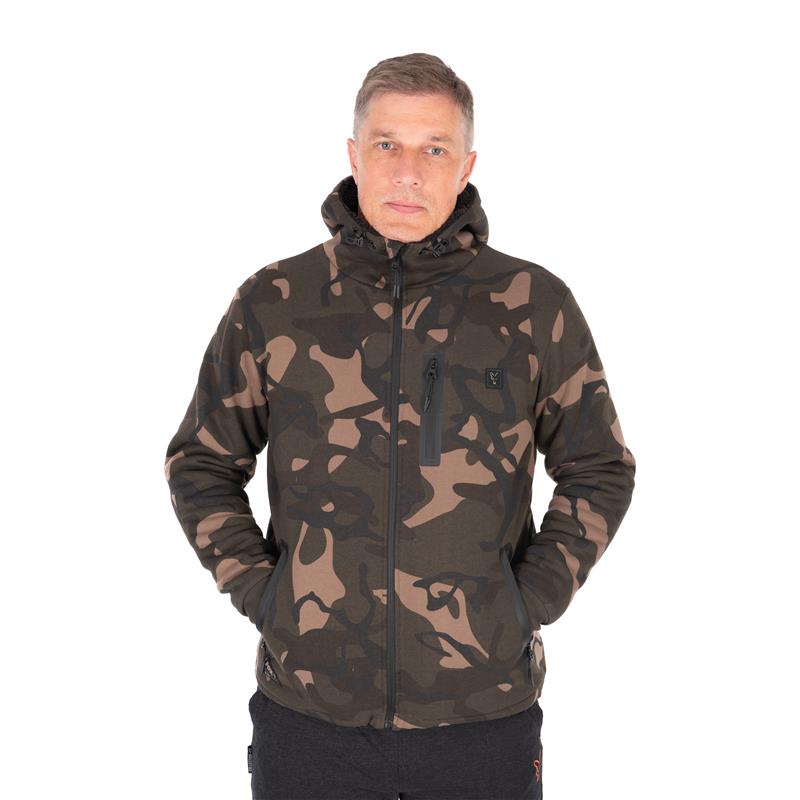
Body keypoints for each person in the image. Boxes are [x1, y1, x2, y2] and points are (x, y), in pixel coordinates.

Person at [164, 52, 636, 800]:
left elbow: (599, 467)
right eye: (387, 144)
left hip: (482, 719)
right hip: (309, 717)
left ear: (467, 165)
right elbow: (201, 464)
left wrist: (528, 603)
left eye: (434, 149)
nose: (408, 172)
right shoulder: (274, 300)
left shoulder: (533, 305)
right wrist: (266, 595)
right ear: (354, 155)